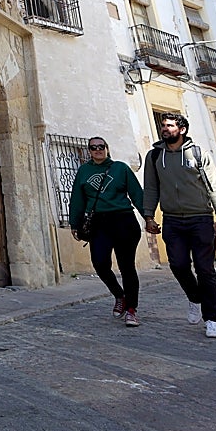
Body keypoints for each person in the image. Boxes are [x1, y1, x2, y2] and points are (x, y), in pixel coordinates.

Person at [142, 112, 216, 338]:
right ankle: (195, 298)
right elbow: (151, 188)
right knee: (178, 265)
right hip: (172, 220)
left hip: (200, 218)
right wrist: (149, 216)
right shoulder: (154, 157)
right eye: (163, 125)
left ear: (181, 129)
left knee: (205, 269)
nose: (165, 129)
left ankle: (213, 319)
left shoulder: (199, 154)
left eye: (170, 125)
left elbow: (214, 187)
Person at [68, 137, 145, 326]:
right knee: (100, 263)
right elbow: (77, 198)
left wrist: (149, 217)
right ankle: (120, 295)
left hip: (123, 219)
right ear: (89, 151)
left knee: (126, 266)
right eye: (93, 148)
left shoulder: (121, 168)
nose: (97, 150)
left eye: (101, 146)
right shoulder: (84, 171)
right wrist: (74, 223)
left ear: (107, 148)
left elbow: (137, 194)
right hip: (98, 223)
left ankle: (131, 310)